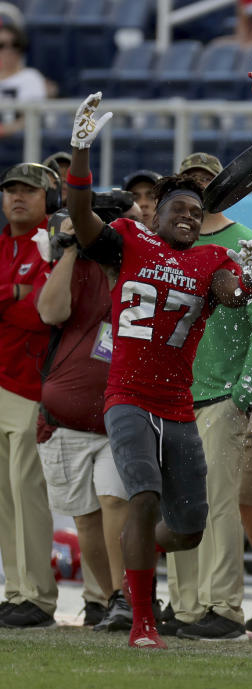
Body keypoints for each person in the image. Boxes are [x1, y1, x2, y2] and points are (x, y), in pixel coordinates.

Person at [65, 92, 252, 650]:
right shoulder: (129, 242)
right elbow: (81, 217)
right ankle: (142, 621)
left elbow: (229, 295)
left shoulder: (213, 259)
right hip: (128, 393)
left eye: (196, 213)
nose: (188, 218)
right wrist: (80, 152)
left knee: (187, 528)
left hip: (181, 402)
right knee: (143, 497)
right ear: (157, 211)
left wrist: (245, 281)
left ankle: (132, 549)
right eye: (179, 209)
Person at [162, 152, 252, 641]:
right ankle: (186, 604)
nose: (199, 189)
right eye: (190, 181)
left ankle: (224, 606)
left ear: (228, 187)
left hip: (218, 392)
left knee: (217, 504)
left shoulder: (247, 243)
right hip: (170, 393)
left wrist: (243, 388)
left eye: (208, 181)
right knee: (177, 504)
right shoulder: (164, 245)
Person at [34, 210, 131, 632]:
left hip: (118, 413)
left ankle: (128, 596)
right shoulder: (72, 264)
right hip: (67, 419)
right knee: (87, 517)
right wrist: (71, 250)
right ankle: (112, 598)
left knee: (114, 501)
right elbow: (50, 312)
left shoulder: (132, 264)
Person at [0, 163, 56, 629]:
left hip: (30, 384)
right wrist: (12, 291)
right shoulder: (2, 244)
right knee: (4, 495)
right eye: (11, 190)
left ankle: (37, 596)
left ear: (46, 197)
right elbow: (20, 300)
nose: (18, 197)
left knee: (26, 492)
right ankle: (16, 589)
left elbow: (40, 313)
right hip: (2, 379)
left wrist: (18, 297)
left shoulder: (52, 242)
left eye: (28, 190)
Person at [0, 17, 47, 139]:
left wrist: (5, 130)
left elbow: (33, 117)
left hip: (20, 145)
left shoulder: (31, 77)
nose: (8, 50)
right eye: (1, 45)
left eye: (15, 45)